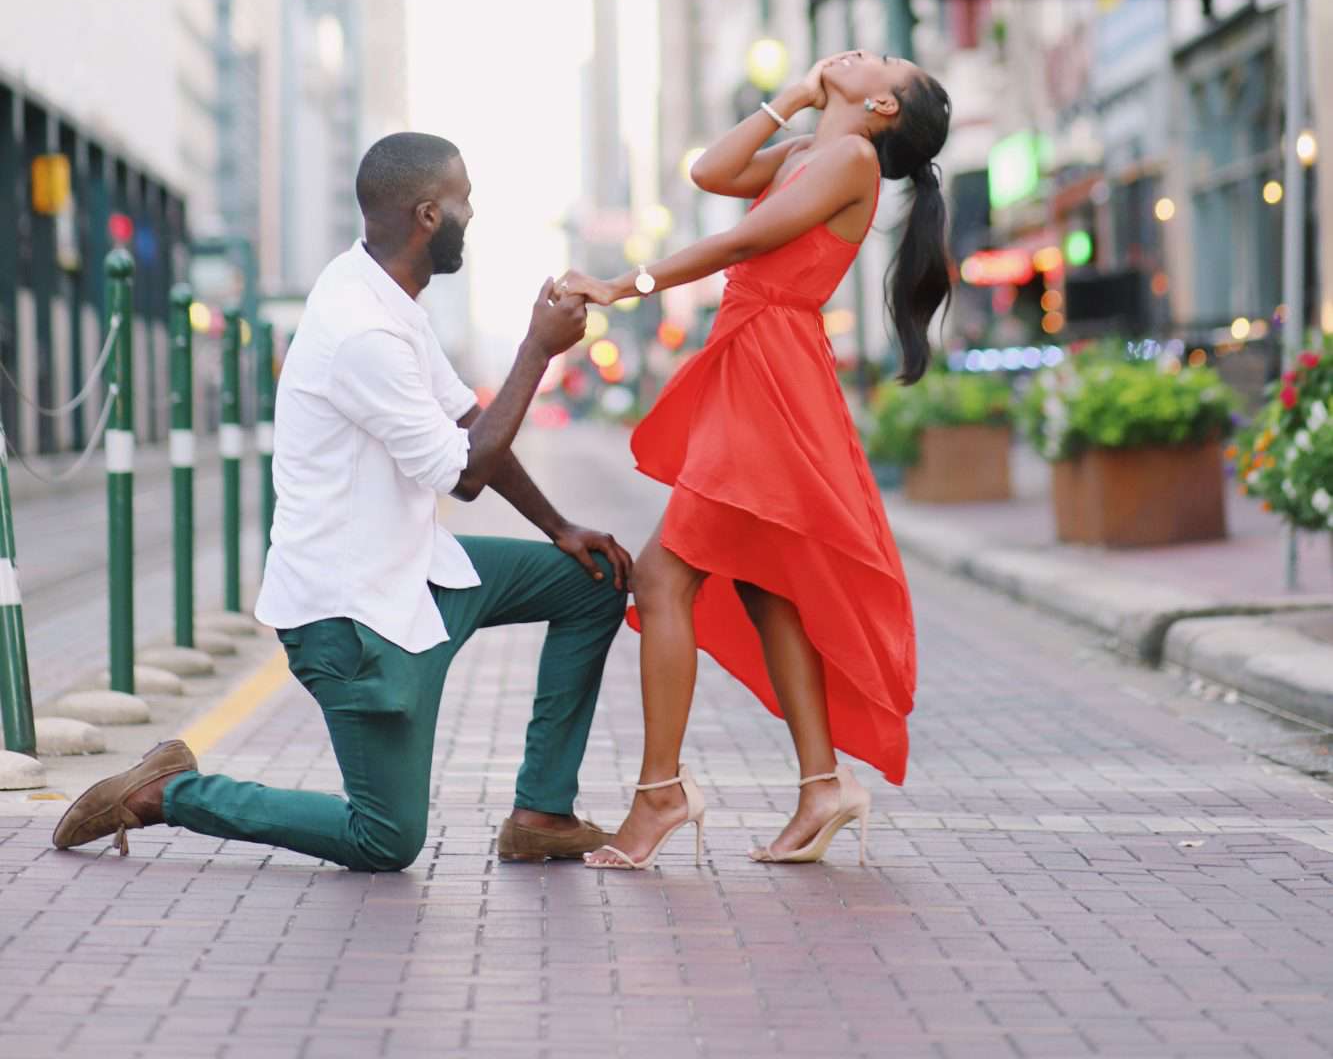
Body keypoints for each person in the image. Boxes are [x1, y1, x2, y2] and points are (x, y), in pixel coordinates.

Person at [54, 133, 632, 871]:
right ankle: (169, 794)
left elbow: (464, 421)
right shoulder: (359, 330)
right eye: (465, 202)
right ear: (428, 215)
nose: (472, 215)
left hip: (420, 575)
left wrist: (560, 527)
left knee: (592, 580)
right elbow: (463, 471)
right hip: (352, 618)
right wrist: (535, 351)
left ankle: (542, 814)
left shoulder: (384, 295)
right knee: (385, 840)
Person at [561, 49, 951, 871]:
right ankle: (822, 785)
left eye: (878, 60)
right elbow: (711, 173)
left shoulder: (846, 160)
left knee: (666, 577)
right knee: (766, 583)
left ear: (881, 104)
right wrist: (792, 97)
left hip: (772, 370)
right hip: (756, 361)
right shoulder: (814, 148)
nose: (855, 53)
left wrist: (617, 285)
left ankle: (660, 794)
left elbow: (744, 239)